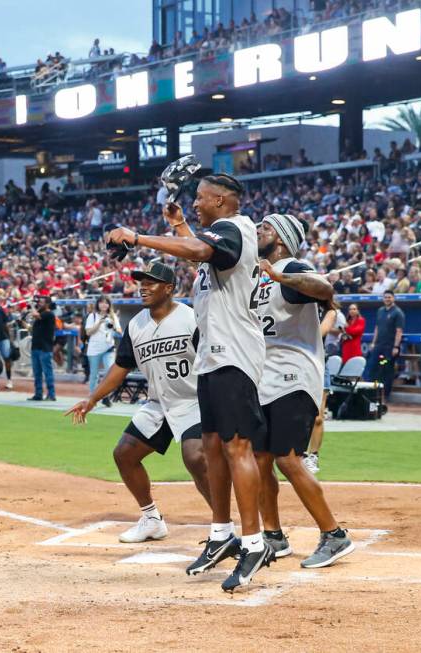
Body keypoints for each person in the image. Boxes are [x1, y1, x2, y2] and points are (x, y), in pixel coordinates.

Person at [107, 173, 272, 593]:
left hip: (234, 354)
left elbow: (202, 248)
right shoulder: (223, 236)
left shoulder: (237, 227)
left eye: (200, 199)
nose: (195, 204)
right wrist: (179, 226)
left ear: (221, 199)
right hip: (214, 357)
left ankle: (254, 543)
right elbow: (203, 252)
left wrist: (139, 237)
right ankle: (221, 534)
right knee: (213, 446)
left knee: (236, 447)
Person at [65, 263, 211, 543]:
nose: (143, 286)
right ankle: (152, 520)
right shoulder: (136, 325)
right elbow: (120, 368)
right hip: (158, 403)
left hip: (194, 401)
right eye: (141, 282)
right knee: (124, 454)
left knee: (195, 457)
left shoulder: (192, 319)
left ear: (169, 288)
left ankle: (223, 528)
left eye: (151, 282)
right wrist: (92, 399)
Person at [254, 215, 355, 568]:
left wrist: (281, 276)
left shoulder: (292, 267)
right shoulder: (256, 274)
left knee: (286, 457)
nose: (257, 232)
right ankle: (273, 535)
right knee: (260, 460)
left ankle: (334, 534)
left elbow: (325, 289)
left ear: (281, 239)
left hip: (293, 374)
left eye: (265, 229)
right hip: (263, 377)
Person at [303, 304, 344, 475]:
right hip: (299, 362)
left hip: (320, 363)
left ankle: (313, 456)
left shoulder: (329, 311)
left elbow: (320, 332)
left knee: (318, 417)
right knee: (301, 415)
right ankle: (301, 453)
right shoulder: (300, 306)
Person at [364, 291, 405, 401]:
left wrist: (396, 347)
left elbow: (399, 331)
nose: (387, 299)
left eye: (389, 297)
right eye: (385, 297)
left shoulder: (398, 312)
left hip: (390, 347)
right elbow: (377, 328)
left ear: (393, 298)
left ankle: (385, 395)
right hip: (378, 346)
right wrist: (373, 342)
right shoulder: (380, 311)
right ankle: (373, 393)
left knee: (387, 369)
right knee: (373, 368)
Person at [84, 295, 122, 407]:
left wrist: (115, 325)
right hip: (94, 348)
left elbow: (119, 331)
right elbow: (88, 332)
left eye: (106, 303)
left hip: (109, 347)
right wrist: (99, 323)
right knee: (94, 374)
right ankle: (92, 398)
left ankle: (105, 397)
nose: (104, 305)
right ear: (98, 304)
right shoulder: (92, 316)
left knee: (109, 373)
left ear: (109, 305)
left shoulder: (113, 316)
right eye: (101, 302)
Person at [26, 296, 57, 402]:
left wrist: (31, 305)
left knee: (47, 372)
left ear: (47, 304)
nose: (39, 304)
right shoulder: (42, 315)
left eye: (42, 302)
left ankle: (51, 394)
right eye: (39, 302)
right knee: (37, 372)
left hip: (45, 348)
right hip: (36, 346)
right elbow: (33, 324)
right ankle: (38, 394)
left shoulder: (49, 314)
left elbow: (36, 315)